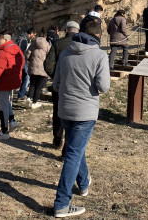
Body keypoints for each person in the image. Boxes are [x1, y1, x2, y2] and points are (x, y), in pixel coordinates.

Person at [52, 20, 110, 218]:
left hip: (65, 110)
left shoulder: (65, 52)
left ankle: (83, 184)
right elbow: (103, 86)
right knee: (73, 154)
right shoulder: (100, 55)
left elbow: (56, 84)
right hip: (85, 112)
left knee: (76, 149)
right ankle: (61, 203)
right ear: (98, 37)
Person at [43, 20, 80, 151]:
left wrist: (56, 77)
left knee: (58, 112)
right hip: (77, 87)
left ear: (66, 30)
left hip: (59, 86)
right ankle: (67, 147)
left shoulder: (58, 44)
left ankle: (57, 139)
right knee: (73, 116)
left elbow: (48, 65)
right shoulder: (82, 45)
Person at [0, 31, 23, 140]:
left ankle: (4, 131)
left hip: (3, 82)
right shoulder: (17, 50)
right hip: (12, 80)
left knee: (2, 106)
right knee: (7, 102)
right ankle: (12, 120)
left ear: (5, 40)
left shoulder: (2, 53)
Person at [25, 30, 51, 109]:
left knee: (32, 84)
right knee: (38, 87)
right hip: (42, 69)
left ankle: (29, 98)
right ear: (45, 37)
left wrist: (31, 60)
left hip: (33, 67)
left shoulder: (33, 44)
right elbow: (50, 57)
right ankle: (34, 102)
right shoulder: (47, 46)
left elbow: (27, 55)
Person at [16, 28, 35, 101]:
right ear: (31, 33)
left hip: (19, 59)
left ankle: (21, 93)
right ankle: (21, 94)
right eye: (34, 34)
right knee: (27, 77)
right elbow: (22, 51)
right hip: (21, 59)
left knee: (24, 76)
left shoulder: (21, 37)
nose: (34, 36)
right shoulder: (24, 40)